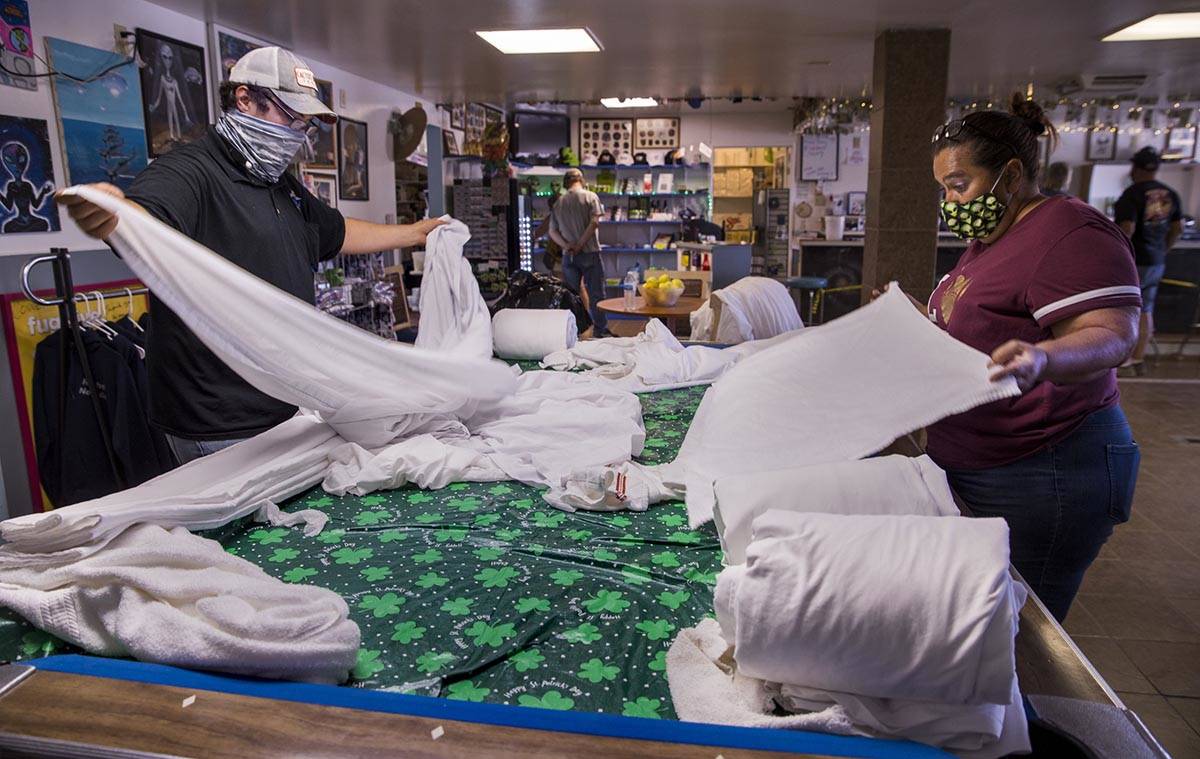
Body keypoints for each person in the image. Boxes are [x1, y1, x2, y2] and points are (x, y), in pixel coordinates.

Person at [57, 47, 444, 464]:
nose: (298, 133)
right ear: (245, 99)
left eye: (305, 124)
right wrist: (111, 213)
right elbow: (144, 220)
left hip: (286, 404)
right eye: (291, 117)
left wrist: (414, 234)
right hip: (220, 423)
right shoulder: (191, 171)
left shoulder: (280, 184)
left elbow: (337, 231)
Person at [884, 94, 1142, 622]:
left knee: (1018, 628)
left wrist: (1043, 357)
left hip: (1046, 469)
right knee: (981, 617)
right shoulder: (995, 237)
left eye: (960, 186)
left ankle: (1026, 709)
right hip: (980, 460)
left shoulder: (1072, 233)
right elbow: (984, 321)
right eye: (945, 191)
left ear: (1012, 174)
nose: (952, 202)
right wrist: (919, 319)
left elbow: (1114, 334)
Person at [1114, 146, 1183, 373]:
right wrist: (1164, 249)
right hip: (1156, 261)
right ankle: (1138, 359)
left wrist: (1116, 255)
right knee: (1146, 310)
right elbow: (1177, 227)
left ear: (1136, 168)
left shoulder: (1132, 194)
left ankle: (1122, 361)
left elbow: (1127, 228)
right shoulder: (1170, 194)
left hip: (1134, 260)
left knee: (1124, 309)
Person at [549, 167, 612, 336]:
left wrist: (567, 246)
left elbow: (552, 232)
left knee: (571, 296)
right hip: (589, 252)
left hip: (569, 256)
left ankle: (574, 333)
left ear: (566, 183)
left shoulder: (559, 202)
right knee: (596, 295)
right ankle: (600, 332)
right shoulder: (591, 197)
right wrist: (580, 244)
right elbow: (594, 223)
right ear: (581, 180)